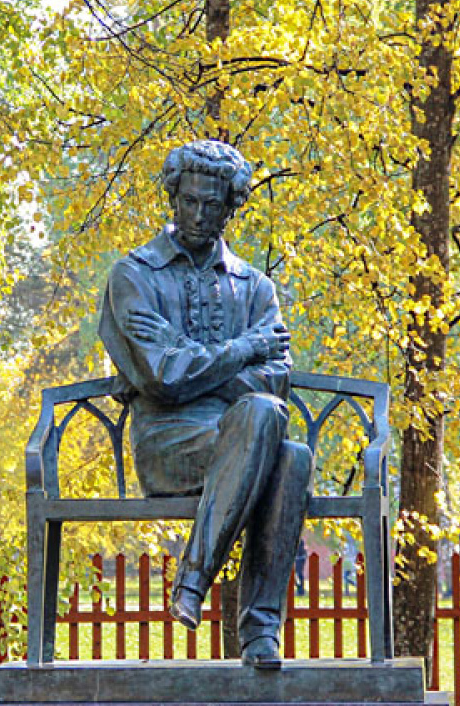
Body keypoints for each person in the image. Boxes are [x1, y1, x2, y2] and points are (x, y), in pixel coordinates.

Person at [98, 140, 312, 669]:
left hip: (246, 440)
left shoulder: (255, 288)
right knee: (261, 417)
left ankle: (257, 627)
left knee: (291, 453)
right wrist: (242, 351)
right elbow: (163, 375)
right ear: (173, 197)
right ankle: (197, 582)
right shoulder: (135, 276)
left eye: (212, 204)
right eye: (189, 201)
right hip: (169, 442)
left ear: (230, 205)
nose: (198, 214)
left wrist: (198, 368)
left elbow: (275, 382)